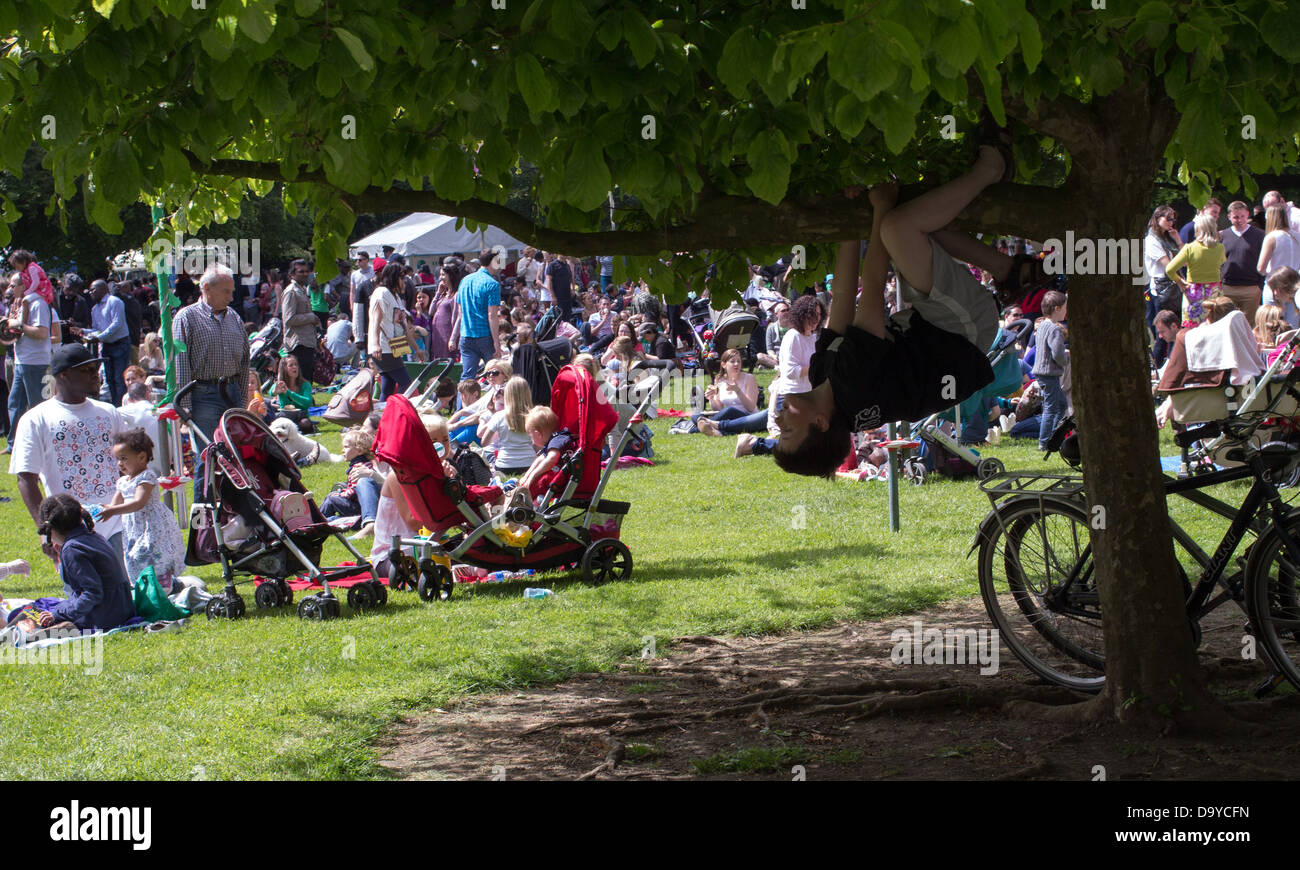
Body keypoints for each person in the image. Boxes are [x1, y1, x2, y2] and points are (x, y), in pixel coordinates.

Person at [769, 138, 1015, 477]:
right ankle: (991, 170)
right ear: (820, 422)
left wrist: (851, 226)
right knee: (897, 227)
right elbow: (869, 290)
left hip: (931, 322)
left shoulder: (822, 377)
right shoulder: (853, 386)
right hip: (962, 331)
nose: (778, 420)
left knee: (917, 218)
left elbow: (841, 298)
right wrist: (881, 206)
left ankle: (1008, 270)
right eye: (788, 430)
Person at [10, 343, 126, 561]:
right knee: (86, 593)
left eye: (95, 368)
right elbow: (26, 479)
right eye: (87, 370)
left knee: (122, 592)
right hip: (71, 531)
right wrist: (47, 530)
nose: (95, 375)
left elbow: (127, 466)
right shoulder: (36, 419)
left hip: (118, 523)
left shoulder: (109, 412)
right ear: (63, 375)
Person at [173, 263, 251, 500]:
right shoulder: (186, 317)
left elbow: (245, 360)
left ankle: (233, 510)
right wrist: (185, 407)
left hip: (232, 391)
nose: (232, 296)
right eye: (226, 291)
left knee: (235, 454)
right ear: (206, 288)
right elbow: (181, 361)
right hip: (203, 394)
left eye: (232, 290)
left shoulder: (234, 317)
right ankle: (204, 515)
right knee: (208, 455)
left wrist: (244, 398)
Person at [28, 494, 135, 633]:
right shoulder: (94, 536)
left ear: (50, 529)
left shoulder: (73, 549)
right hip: (122, 608)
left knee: (33, 621)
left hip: (105, 617)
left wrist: (58, 615)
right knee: (46, 606)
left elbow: (92, 594)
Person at [737, 293, 823, 458]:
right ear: (802, 314)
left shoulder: (811, 338)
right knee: (802, 446)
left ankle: (752, 444)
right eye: (813, 314)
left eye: (819, 314)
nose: (816, 318)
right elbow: (790, 372)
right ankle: (753, 444)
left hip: (807, 397)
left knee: (809, 444)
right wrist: (816, 366)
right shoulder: (793, 337)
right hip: (790, 398)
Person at [99, 429, 186, 592]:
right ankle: (149, 588)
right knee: (133, 558)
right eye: (117, 459)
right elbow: (114, 503)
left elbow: (139, 502)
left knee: (152, 557)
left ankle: (165, 588)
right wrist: (103, 509)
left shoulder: (146, 477)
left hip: (151, 527)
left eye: (124, 459)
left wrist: (113, 511)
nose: (119, 463)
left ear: (141, 457)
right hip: (134, 530)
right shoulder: (123, 481)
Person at [74, 280, 131, 407]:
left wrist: (99, 337)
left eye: (93, 289)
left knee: (119, 379)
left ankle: (121, 407)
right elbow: (96, 330)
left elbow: (117, 324)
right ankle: (115, 406)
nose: (90, 292)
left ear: (103, 289)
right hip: (107, 345)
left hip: (120, 344)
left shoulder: (115, 302)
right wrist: (82, 331)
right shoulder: (95, 309)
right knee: (109, 379)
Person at [1163, 214, 1226, 327]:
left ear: (1197, 229)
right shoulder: (1220, 248)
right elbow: (1221, 263)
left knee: (1193, 330)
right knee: (1214, 327)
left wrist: (1179, 281)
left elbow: (1169, 269)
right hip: (1214, 292)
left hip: (1194, 293)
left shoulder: (1189, 248)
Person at [450, 248, 503, 380]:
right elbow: (492, 316)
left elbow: (460, 312)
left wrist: (454, 336)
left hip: (466, 335)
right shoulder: (492, 284)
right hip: (484, 336)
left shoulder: (465, 280)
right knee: (496, 376)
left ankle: (462, 401)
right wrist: (497, 342)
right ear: (493, 262)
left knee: (467, 378)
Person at [1144, 205, 1186, 367]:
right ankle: (1157, 369)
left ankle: (1175, 366)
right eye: (1168, 218)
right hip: (1163, 290)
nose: (1171, 222)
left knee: (1177, 331)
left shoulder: (1169, 238)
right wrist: (1181, 282)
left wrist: (1178, 241)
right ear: (1157, 218)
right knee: (1162, 335)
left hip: (1175, 287)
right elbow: (1169, 267)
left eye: (1173, 219)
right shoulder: (1152, 240)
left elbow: (1186, 259)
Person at [368, 262, 415, 398]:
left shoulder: (394, 296)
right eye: (402, 278)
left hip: (394, 347)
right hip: (384, 348)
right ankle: (394, 411)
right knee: (406, 384)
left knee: (388, 385)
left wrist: (416, 348)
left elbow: (403, 325)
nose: (404, 282)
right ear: (394, 278)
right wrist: (376, 343)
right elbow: (375, 320)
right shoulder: (382, 293)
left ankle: (383, 416)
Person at [695, 348, 766, 436]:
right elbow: (718, 409)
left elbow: (751, 407)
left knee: (729, 410)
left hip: (748, 417)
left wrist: (738, 390)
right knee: (695, 416)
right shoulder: (719, 379)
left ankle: (695, 428)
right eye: (732, 361)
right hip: (730, 418)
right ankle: (705, 425)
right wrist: (711, 398)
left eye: (739, 361)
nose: (736, 364)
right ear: (724, 364)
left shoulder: (749, 378)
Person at [1032, 291, 1070, 451]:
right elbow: (1057, 353)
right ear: (1057, 308)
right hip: (1049, 373)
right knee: (1051, 407)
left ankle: (1054, 437)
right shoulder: (1054, 329)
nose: (1066, 312)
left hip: (1042, 371)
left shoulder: (1042, 326)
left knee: (1061, 405)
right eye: (1065, 308)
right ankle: (1045, 442)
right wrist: (1065, 359)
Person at [479, 375, 537, 478]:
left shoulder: (499, 416)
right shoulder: (534, 415)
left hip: (504, 465)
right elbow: (537, 445)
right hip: (529, 464)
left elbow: (484, 443)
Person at [1220, 200, 1267, 325]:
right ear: (1229, 217)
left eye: (1242, 216)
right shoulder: (1222, 236)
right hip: (1227, 287)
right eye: (1236, 217)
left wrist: (1259, 285)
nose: (1239, 220)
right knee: (1227, 324)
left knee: (1249, 326)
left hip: (1251, 288)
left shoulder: (1260, 235)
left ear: (1248, 214)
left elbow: (1265, 260)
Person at [518, 405, 574, 501]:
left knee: (538, 483)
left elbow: (551, 459)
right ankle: (530, 500)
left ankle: (531, 505)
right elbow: (540, 459)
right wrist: (527, 476)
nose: (532, 441)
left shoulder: (558, 440)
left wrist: (533, 476)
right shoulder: (552, 440)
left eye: (532, 437)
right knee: (534, 481)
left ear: (538, 434)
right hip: (557, 475)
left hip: (562, 477)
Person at [281, 259, 319, 386]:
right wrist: (310, 317)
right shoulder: (291, 291)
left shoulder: (301, 289)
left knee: (307, 377)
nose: (304, 274)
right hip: (297, 343)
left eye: (306, 271)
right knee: (300, 379)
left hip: (307, 341)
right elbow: (289, 319)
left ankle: (307, 401)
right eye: (300, 271)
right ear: (292, 274)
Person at [1258, 205, 1300, 278]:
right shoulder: (1298, 236)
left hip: (1276, 282)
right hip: (1295, 281)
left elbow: (1261, 268)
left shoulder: (1271, 237)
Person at [757, 301, 791, 369]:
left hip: (791, 354)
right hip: (777, 357)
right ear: (776, 314)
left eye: (788, 310)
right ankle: (779, 366)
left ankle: (774, 366)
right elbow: (769, 349)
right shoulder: (771, 328)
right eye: (783, 311)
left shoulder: (795, 326)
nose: (787, 312)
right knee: (759, 356)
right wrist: (773, 356)